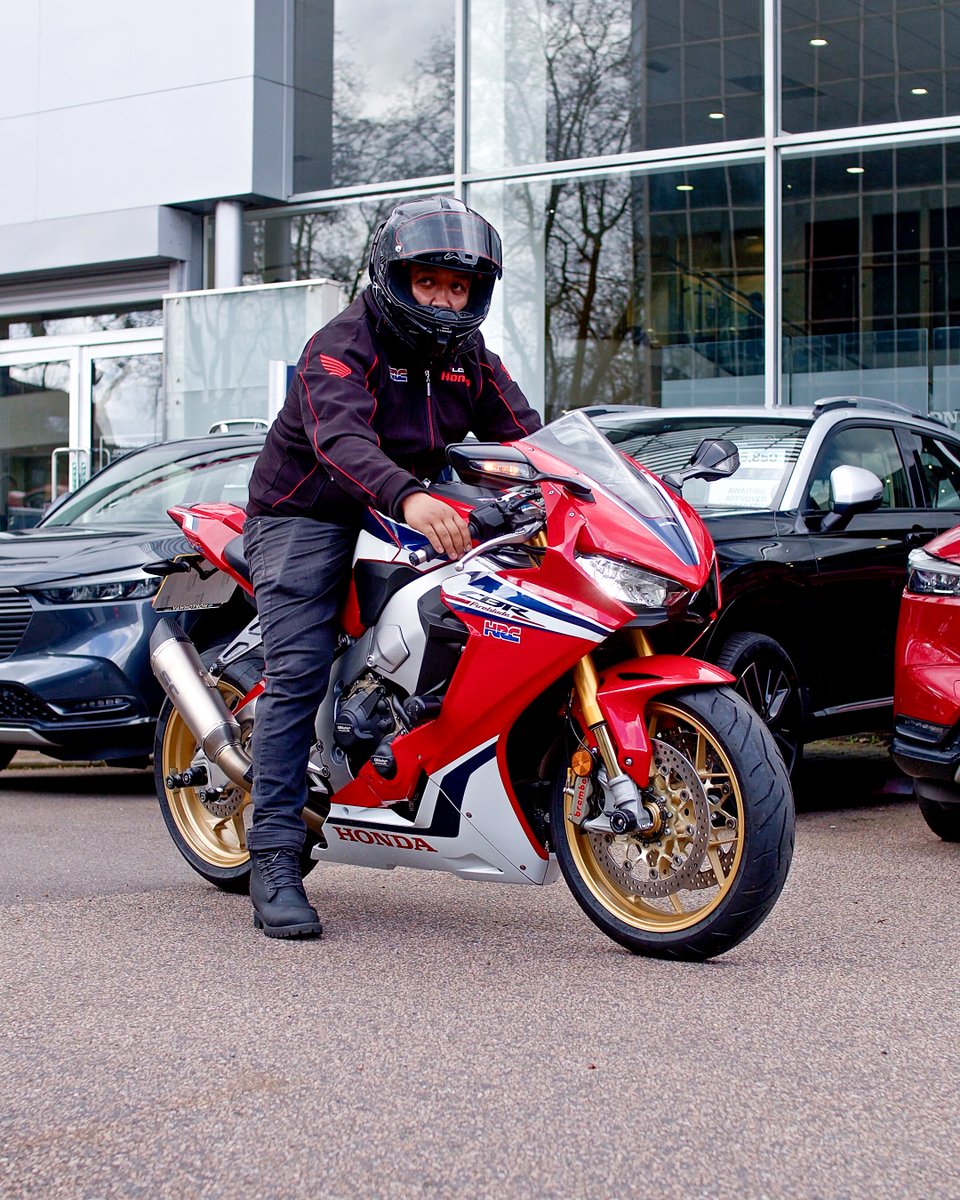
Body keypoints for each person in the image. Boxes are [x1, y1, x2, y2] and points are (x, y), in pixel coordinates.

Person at [242, 195, 542, 939]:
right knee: (300, 668)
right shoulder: (342, 343)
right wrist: (410, 498)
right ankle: (275, 855)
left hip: (406, 501)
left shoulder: (469, 358)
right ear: (394, 278)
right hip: (306, 510)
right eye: (429, 280)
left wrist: (568, 484)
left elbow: (531, 439)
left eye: (459, 285)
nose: (444, 297)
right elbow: (339, 441)